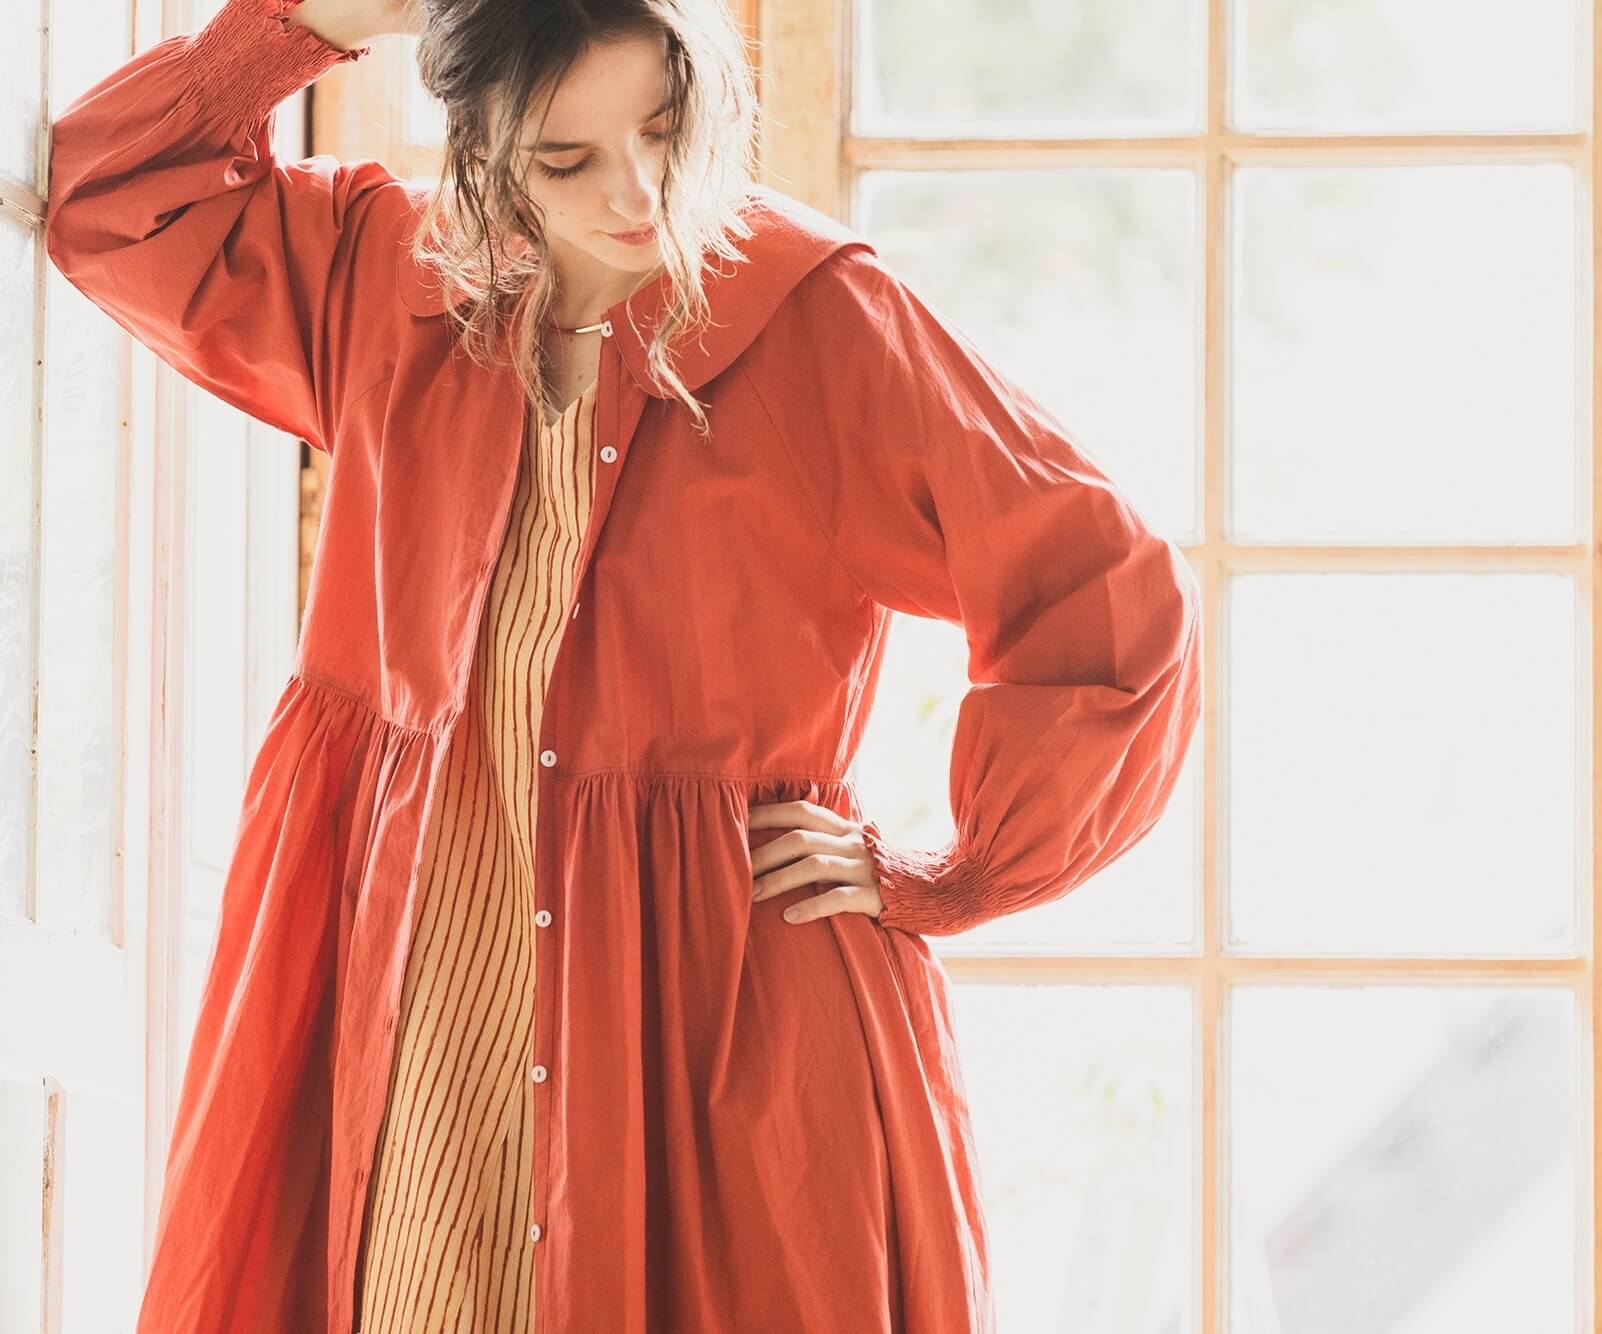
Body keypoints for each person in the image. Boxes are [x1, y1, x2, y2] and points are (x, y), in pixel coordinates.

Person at [43, 0, 1204, 1329]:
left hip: (713, 1014)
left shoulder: (818, 319)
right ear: (483, 144)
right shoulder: (386, 276)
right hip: (415, 983)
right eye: (568, 157)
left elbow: (1106, 593)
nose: (638, 192)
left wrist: (956, 870)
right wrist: (319, 22)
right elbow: (111, 195)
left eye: (664, 129)